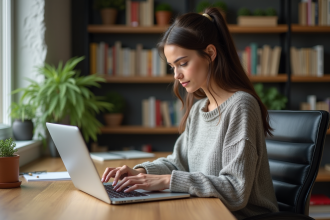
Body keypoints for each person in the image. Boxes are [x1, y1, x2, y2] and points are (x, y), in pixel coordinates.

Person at [101, 7, 279, 219]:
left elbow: (235, 190)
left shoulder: (241, 105)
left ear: (210, 53)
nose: (177, 75)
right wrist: (140, 173)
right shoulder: (199, 109)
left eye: (183, 63)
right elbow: (178, 162)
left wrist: (167, 181)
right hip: (205, 210)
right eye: (172, 67)